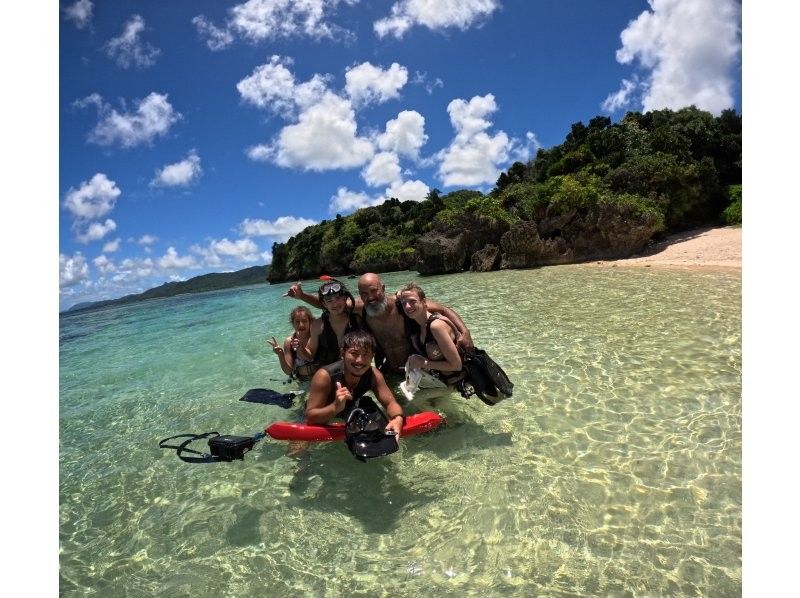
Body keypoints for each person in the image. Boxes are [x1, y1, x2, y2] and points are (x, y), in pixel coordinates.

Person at [286, 273, 473, 376]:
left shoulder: (403, 304)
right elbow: (331, 304)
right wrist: (302, 296)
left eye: (374, 291)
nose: (370, 297)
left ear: (383, 289)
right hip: (390, 370)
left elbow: (444, 309)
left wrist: (465, 332)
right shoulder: (362, 307)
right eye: (364, 294)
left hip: (419, 370)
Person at [304, 330, 405, 439]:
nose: (360, 360)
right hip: (318, 415)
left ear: (372, 357)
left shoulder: (373, 375)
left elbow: (390, 402)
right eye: (354, 353)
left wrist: (397, 419)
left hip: (347, 412)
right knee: (297, 450)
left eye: (366, 354)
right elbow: (310, 417)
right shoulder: (324, 376)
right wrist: (335, 407)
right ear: (342, 353)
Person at [397, 282, 466, 400]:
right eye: (404, 304)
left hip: (459, 384)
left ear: (424, 303)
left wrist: (424, 363)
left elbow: (456, 365)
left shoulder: (436, 326)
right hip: (443, 383)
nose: (408, 306)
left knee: (415, 400)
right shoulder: (420, 326)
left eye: (412, 301)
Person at [297, 278, 363, 367]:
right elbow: (310, 355)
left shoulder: (357, 320)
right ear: (324, 304)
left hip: (354, 369)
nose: (335, 304)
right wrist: (300, 348)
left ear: (345, 299)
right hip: (328, 373)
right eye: (329, 301)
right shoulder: (318, 325)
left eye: (338, 298)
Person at [267, 306, 317, 382]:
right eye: (297, 321)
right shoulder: (289, 342)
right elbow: (288, 371)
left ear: (310, 322)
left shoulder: (315, 337)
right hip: (302, 380)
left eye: (304, 321)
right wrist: (280, 354)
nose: (301, 325)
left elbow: (309, 357)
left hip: (319, 377)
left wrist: (300, 348)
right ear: (292, 323)